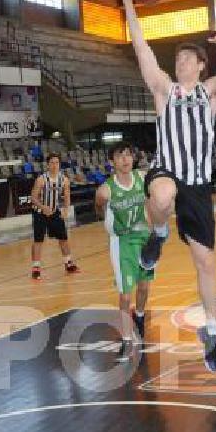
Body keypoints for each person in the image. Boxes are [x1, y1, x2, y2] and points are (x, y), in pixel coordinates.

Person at [123, 0, 216, 372]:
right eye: (176, 59)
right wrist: (129, 4)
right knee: (161, 195)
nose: (179, 63)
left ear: (199, 65)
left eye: (186, 59)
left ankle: (211, 331)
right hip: (167, 171)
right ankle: (159, 235)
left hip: (197, 184)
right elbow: (142, 49)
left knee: (206, 264)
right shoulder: (165, 89)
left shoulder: (210, 92)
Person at [94, 141, 154, 359]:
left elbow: (150, 201)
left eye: (128, 155)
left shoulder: (142, 178)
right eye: (120, 156)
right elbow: (98, 206)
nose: (126, 159)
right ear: (112, 162)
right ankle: (127, 340)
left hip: (144, 238)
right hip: (122, 242)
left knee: (144, 288)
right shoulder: (106, 190)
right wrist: (108, 223)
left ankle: (139, 316)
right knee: (125, 294)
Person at [29, 153, 80, 280]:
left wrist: (66, 209)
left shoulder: (64, 179)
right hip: (40, 212)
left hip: (54, 211)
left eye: (57, 162)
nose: (54, 165)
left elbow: (67, 196)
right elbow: (33, 198)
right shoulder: (41, 179)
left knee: (63, 238)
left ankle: (68, 264)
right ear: (47, 165)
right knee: (38, 240)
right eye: (52, 163)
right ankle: (36, 268)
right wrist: (43, 207)